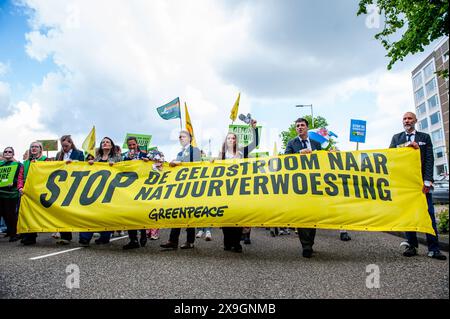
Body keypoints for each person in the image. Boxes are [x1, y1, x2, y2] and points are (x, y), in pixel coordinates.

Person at [389, 112, 446, 260]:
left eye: (409, 118)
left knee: (428, 214)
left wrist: (428, 181)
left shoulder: (425, 137)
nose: (407, 121)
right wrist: (405, 147)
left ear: (415, 121)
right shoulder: (397, 138)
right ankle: (411, 246)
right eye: (405, 119)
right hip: (405, 185)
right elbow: (390, 157)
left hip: (421, 184)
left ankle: (434, 248)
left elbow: (429, 159)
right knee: (409, 215)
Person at [219, 118, 259, 252]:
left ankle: (236, 243)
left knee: (238, 215)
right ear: (226, 141)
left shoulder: (242, 152)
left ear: (236, 141)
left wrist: (253, 129)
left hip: (239, 188)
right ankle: (227, 242)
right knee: (227, 216)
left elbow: (255, 143)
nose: (231, 140)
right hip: (225, 189)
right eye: (229, 138)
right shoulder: (222, 156)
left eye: (233, 138)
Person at [285, 118, 321, 258]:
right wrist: (299, 154)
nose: (300, 127)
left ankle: (310, 243)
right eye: (297, 126)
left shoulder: (316, 144)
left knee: (313, 215)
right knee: (302, 215)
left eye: (302, 125)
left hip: (314, 185)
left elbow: (324, 161)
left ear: (307, 127)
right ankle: (305, 245)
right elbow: (285, 160)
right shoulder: (291, 143)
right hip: (299, 186)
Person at [160, 130, 201, 250]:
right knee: (177, 213)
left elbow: (196, 164)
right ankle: (173, 241)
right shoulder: (179, 153)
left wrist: (180, 162)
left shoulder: (195, 150)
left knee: (189, 213)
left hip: (191, 186)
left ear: (190, 138)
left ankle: (190, 241)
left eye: (183, 136)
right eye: (179, 137)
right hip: (180, 187)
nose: (181, 138)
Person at [78, 137, 122, 247]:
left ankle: (104, 237)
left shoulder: (118, 158)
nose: (105, 143)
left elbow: (123, 170)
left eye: (107, 142)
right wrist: (90, 164)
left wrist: (115, 166)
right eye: (103, 142)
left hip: (110, 190)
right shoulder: (96, 158)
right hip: (96, 189)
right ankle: (85, 237)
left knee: (106, 214)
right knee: (90, 213)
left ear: (112, 145)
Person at [54, 135, 85, 245]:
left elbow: (83, 167)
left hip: (74, 184)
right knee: (62, 210)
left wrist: (74, 163)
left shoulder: (79, 153)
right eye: (62, 146)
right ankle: (65, 236)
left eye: (66, 145)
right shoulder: (59, 155)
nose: (64, 147)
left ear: (71, 143)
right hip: (62, 185)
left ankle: (84, 235)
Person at [122, 136, 151, 250]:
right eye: (130, 145)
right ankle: (133, 239)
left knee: (140, 211)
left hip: (141, 186)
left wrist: (147, 162)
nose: (132, 147)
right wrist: (126, 160)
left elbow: (153, 165)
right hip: (129, 187)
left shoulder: (144, 154)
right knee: (130, 213)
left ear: (137, 144)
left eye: (133, 144)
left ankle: (143, 233)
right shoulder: (125, 156)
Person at [20, 141, 49, 245]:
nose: (34, 148)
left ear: (40, 149)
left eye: (36, 147)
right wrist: (20, 187)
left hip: (40, 191)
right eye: (32, 147)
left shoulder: (45, 160)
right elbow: (21, 176)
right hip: (27, 192)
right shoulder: (26, 162)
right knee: (28, 214)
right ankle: (29, 236)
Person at [0, 147, 24, 242]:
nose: (7, 153)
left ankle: (14, 233)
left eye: (10, 152)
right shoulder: (0, 164)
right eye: (5, 151)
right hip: (1, 193)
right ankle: (10, 231)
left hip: (11, 193)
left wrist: (13, 183)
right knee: (3, 214)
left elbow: (20, 177)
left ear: (13, 154)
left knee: (10, 214)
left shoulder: (18, 164)